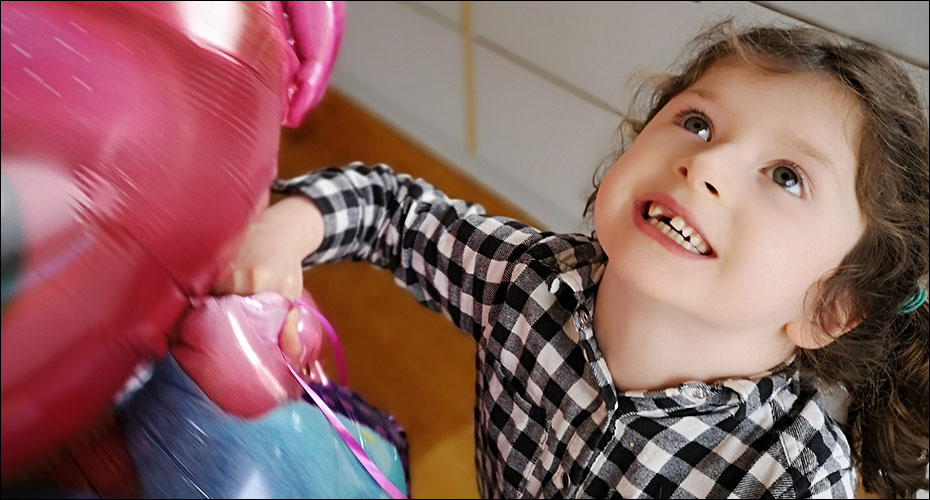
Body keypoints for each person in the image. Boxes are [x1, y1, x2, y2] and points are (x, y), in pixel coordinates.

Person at [213, 18, 929, 498]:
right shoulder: (530, 282)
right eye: (696, 121)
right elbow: (392, 211)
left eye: (786, 176)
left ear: (830, 307)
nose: (707, 163)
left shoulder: (794, 477)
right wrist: (285, 230)